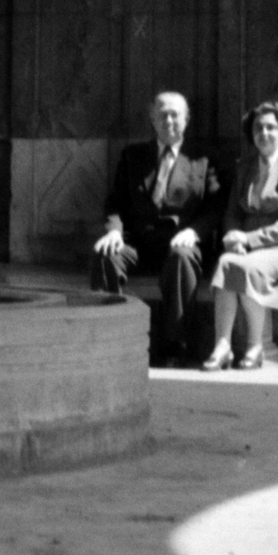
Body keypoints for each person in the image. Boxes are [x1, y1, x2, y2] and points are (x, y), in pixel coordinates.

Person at [91, 91, 223, 363]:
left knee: (181, 259)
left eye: (175, 114)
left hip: (181, 244)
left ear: (186, 119)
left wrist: (194, 232)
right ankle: (109, 342)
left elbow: (215, 208)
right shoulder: (132, 156)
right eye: (163, 114)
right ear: (152, 118)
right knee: (106, 256)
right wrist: (113, 231)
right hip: (139, 242)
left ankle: (176, 346)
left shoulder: (204, 158)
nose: (169, 120)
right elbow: (116, 201)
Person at [201, 101, 278, 371]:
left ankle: (255, 345)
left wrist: (249, 240)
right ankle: (222, 346)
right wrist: (233, 237)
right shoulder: (245, 167)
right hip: (249, 246)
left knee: (247, 266)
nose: (263, 133)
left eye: (271, 128)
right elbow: (232, 212)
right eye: (258, 128)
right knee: (228, 262)